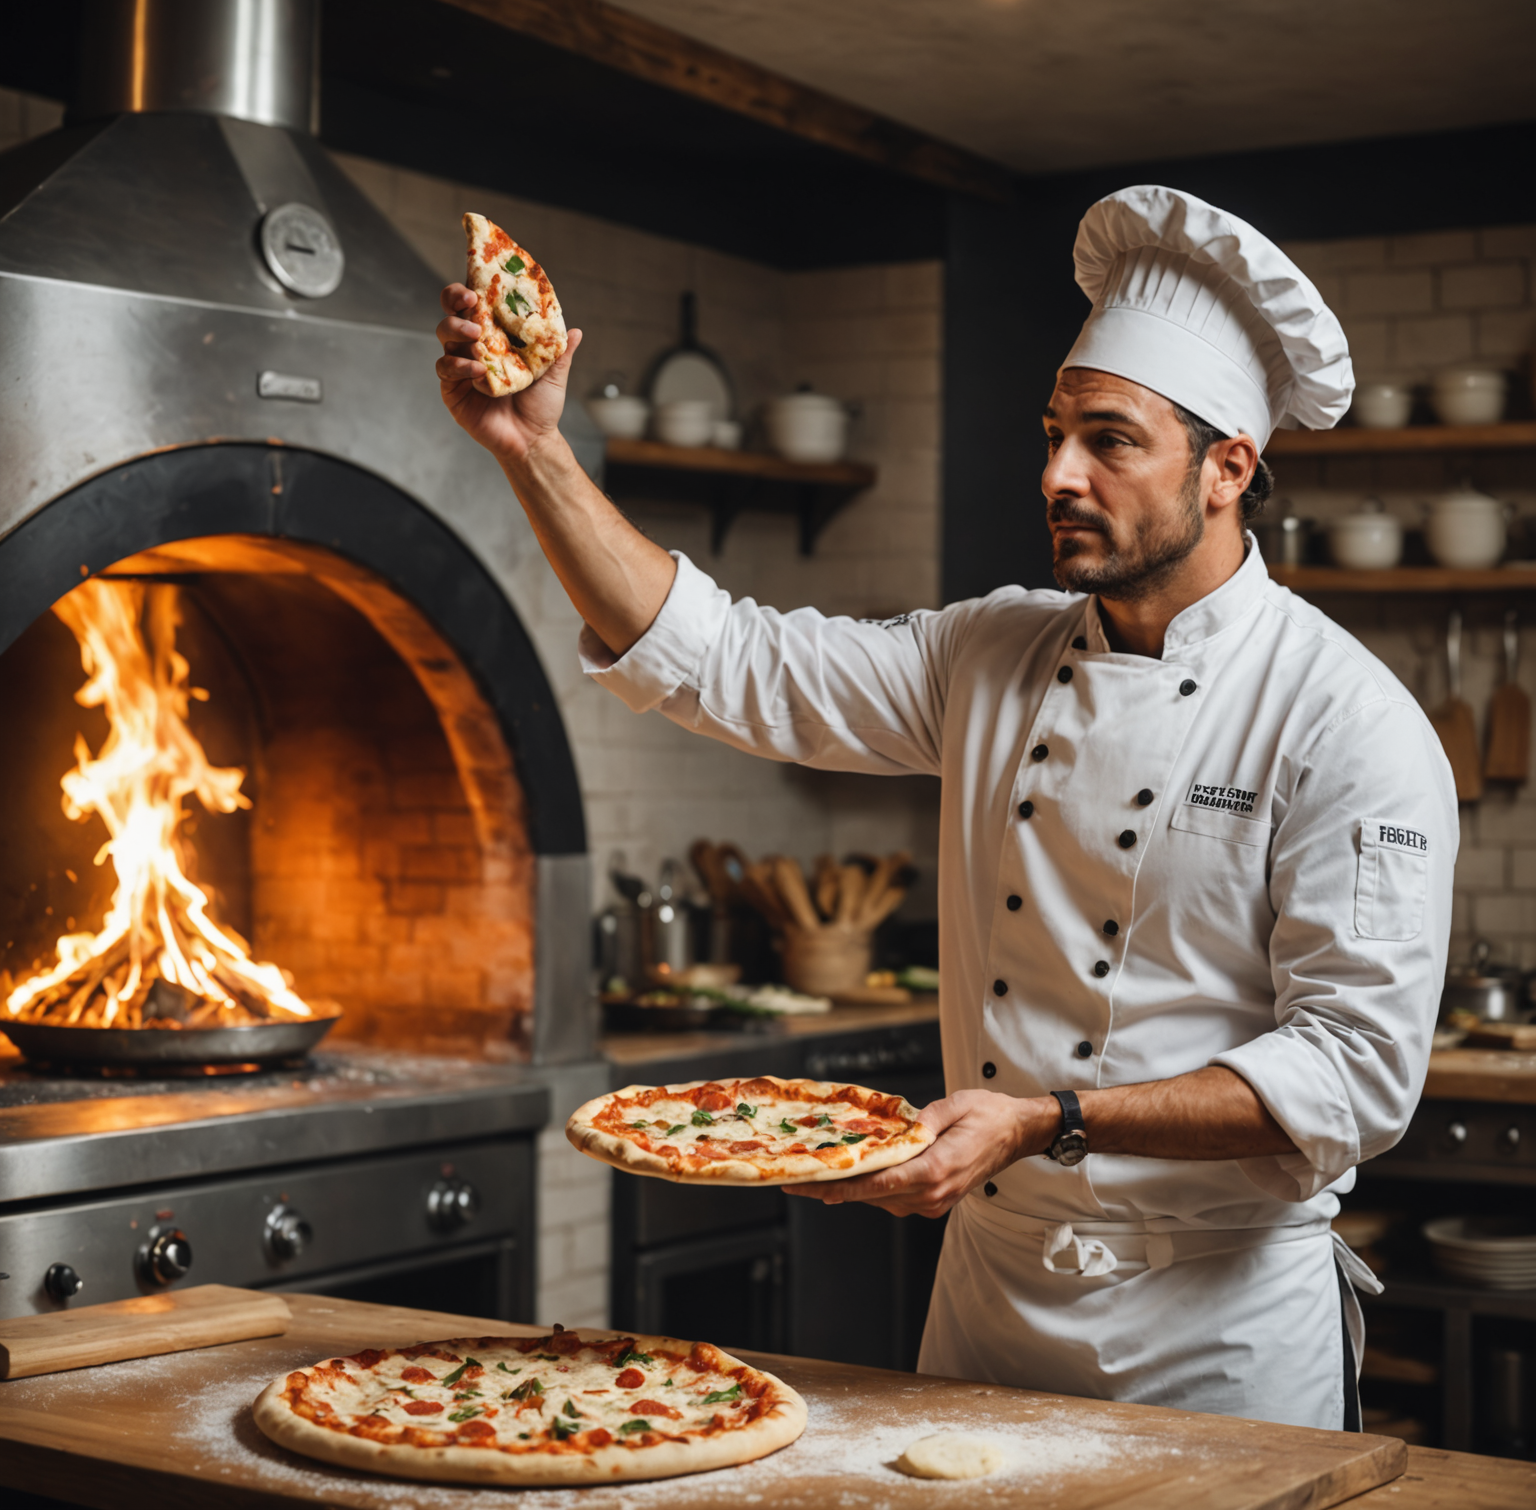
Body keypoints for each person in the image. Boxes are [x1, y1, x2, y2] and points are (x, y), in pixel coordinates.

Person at [434, 185, 1456, 1431]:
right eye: (1052, 433)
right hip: (988, 1300)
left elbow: (1353, 1076)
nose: (1058, 474)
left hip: (1220, 1332)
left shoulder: (1346, 717)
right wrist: (533, 448)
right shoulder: (995, 651)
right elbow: (723, 659)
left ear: (1229, 467)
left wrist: (1047, 1121)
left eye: (1111, 440)